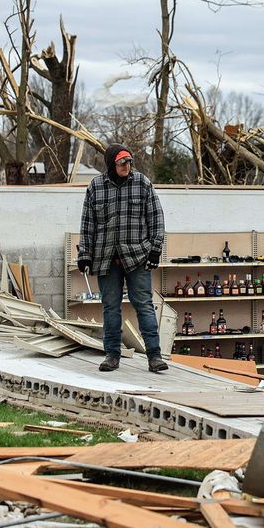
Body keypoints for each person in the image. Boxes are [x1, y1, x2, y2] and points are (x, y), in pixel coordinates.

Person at [77, 144, 168, 373]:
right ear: (111, 164)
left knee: (144, 305)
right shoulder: (96, 187)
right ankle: (112, 355)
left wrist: (155, 250)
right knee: (110, 307)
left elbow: (156, 219)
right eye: (121, 163)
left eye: (129, 162)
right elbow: (87, 224)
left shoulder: (142, 183)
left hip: (137, 256)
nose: (127, 166)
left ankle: (154, 356)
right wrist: (85, 256)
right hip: (105, 258)